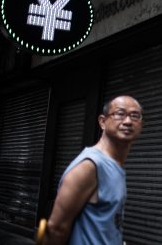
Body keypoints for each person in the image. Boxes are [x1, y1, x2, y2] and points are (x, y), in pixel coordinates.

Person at [44, 95, 143, 245]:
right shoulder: (89, 166)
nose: (128, 121)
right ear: (102, 122)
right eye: (120, 114)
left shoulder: (115, 165)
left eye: (135, 116)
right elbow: (56, 228)